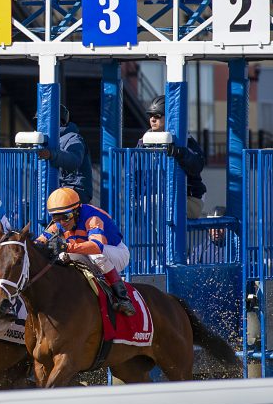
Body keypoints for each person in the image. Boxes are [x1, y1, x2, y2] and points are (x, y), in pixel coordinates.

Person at [36, 187, 135, 316]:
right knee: (62, 257)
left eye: (66, 217)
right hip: (90, 254)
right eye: (56, 218)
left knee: (94, 255)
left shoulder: (92, 218)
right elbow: (39, 242)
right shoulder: (60, 223)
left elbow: (96, 246)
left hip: (116, 254)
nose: (61, 222)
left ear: (76, 211)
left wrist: (67, 247)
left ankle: (123, 297)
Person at [137, 95, 207, 219]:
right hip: (160, 200)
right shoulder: (144, 141)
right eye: (150, 115)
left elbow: (197, 165)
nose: (153, 119)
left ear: (168, 117)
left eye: (157, 116)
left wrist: (180, 153)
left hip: (189, 199)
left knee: (154, 203)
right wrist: (134, 197)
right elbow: (135, 172)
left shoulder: (184, 139)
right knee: (149, 203)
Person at [35, 104, 93, 204]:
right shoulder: (44, 142)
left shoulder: (73, 138)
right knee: (24, 206)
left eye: (43, 122)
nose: (40, 125)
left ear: (57, 122)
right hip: (57, 191)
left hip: (74, 190)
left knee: (57, 204)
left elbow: (74, 160)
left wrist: (52, 155)